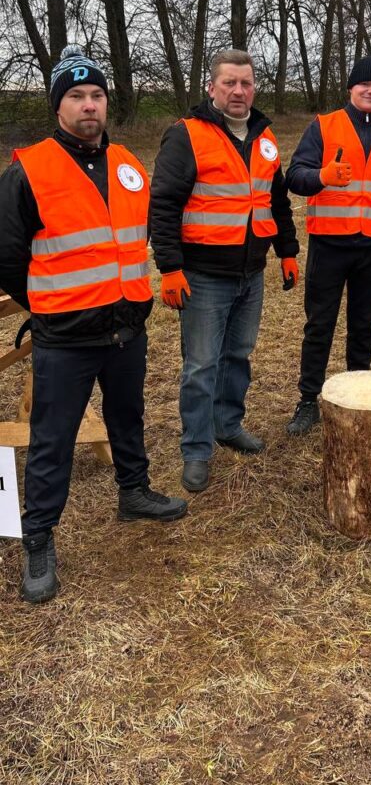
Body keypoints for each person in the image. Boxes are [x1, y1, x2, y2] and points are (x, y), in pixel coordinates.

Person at [0, 45, 188, 605]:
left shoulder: (128, 165)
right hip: (65, 336)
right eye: (77, 96)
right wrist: (48, 305)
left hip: (126, 327)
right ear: (58, 105)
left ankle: (134, 492)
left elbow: (137, 237)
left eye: (97, 95)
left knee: (127, 416)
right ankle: (39, 536)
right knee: (52, 438)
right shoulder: (27, 171)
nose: (89, 105)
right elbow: (7, 257)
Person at [150, 49, 299, 493]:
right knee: (201, 366)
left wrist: (287, 251)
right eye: (229, 83)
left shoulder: (264, 136)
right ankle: (196, 448)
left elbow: (276, 200)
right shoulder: (187, 135)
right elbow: (163, 204)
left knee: (238, 355)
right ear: (211, 87)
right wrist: (170, 267)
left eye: (246, 83)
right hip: (203, 275)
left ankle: (227, 424)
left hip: (250, 273)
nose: (238, 91)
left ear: (254, 88)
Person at [284, 55, 371, 435]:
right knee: (319, 326)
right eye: (365, 84)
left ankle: (358, 395)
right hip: (329, 246)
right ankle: (309, 400)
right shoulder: (324, 126)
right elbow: (295, 177)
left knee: (364, 327)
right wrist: (322, 176)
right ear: (351, 88)